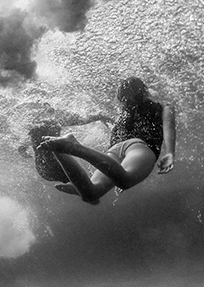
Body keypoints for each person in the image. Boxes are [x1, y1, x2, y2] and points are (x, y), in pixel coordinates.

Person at [38, 76, 176, 204]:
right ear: (144, 91)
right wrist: (170, 153)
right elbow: (168, 127)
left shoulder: (125, 112)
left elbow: (121, 132)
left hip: (115, 149)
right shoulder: (163, 106)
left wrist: (118, 172)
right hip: (139, 147)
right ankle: (74, 147)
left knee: (90, 195)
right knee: (125, 181)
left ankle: (59, 150)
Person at [21, 112, 112, 183]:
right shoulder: (54, 123)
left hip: (44, 169)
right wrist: (99, 116)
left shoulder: (36, 128)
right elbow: (80, 121)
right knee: (75, 178)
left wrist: (23, 151)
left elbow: (23, 145)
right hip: (51, 166)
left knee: (72, 178)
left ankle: (74, 184)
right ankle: (76, 185)